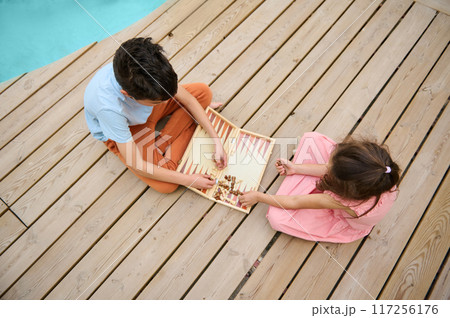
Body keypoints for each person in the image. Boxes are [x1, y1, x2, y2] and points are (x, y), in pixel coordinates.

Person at [84, 37, 227, 193]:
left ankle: (161, 143)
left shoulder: (148, 70)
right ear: (128, 95)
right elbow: (136, 165)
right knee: (168, 186)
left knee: (203, 93)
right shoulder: (109, 109)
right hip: (128, 127)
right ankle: (175, 135)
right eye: (156, 101)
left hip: (143, 110)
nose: (166, 100)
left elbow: (190, 100)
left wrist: (217, 141)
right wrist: (189, 180)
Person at [239, 132, 400, 243]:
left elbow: (295, 201)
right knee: (312, 139)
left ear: (342, 186)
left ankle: (302, 182)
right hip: (350, 185)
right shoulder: (378, 171)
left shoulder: (343, 201)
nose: (327, 166)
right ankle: (302, 176)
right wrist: (296, 168)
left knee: (277, 218)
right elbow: (334, 169)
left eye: (330, 168)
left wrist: (259, 196)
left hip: (341, 217)